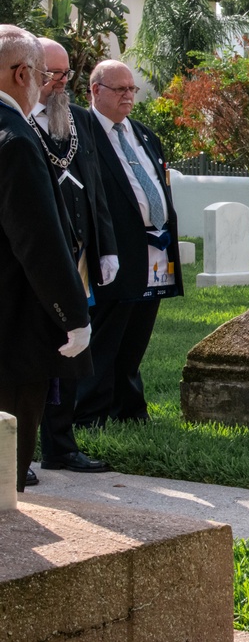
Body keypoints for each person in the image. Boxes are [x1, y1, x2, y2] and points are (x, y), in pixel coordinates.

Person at [0, 25, 92, 492]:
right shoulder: (15, 138)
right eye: (39, 74)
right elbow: (37, 240)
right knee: (6, 465)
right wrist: (73, 315)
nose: (42, 85)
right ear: (20, 74)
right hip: (13, 325)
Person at [30, 38, 117, 475]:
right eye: (52, 74)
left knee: (71, 348)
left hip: (77, 254)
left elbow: (95, 187)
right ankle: (19, 450)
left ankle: (60, 445)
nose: (61, 83)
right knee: (28, 353)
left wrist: (107, 248)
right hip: (31, 258)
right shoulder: (15, 121)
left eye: (67, 73)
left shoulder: (78, 119)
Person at [81, 60, 183, 428]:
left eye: (132, 89)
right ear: (95, 91)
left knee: (137, 332)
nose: (128, 96)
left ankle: (128, 408)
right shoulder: (83, 132)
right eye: (120, 89)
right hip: (113, 248)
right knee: (106, 333)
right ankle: (90, 411)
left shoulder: (142, 134)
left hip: (154, 247)